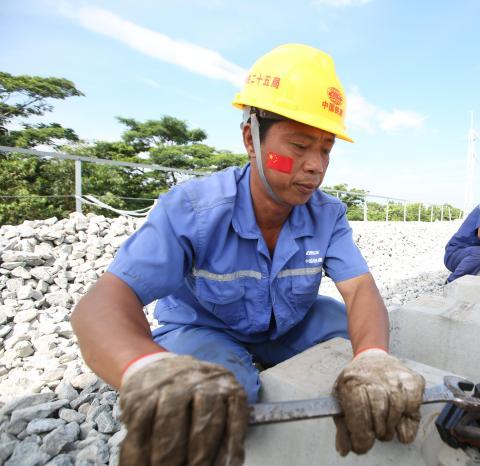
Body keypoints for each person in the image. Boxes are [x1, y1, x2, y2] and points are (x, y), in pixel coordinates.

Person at [71, 44, 425, 466]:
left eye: (326, 149)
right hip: (207, 328)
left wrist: (371, 359)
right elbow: (104, 302)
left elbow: (360, 289)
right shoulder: (193, 209)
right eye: (298, 145)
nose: (315, 165)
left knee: (361, 337)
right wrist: (145, 370)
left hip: (288, 325)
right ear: (250, 140)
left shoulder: (327, 214)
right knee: (223, 395)